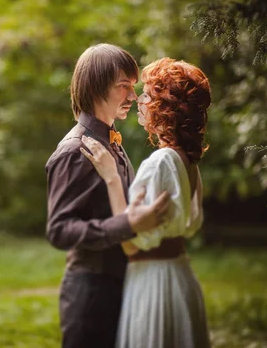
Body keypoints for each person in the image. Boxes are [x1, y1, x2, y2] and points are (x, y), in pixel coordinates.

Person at [45, 43, 171, 348]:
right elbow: (59, 230)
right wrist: (128, 225)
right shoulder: (76, 151)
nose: (132, 96)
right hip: (91, 294)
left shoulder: (112, 142)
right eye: (123, 86)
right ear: (96, 86)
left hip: (122, 285)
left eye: (133, 86)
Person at [81, 57, 212, 348]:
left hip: (156, 282)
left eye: (147, 94)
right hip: (178, 275)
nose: (138, 99)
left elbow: (130, 243)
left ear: (164, 106)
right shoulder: (187, 160)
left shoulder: (162, 161)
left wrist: (112, 178)